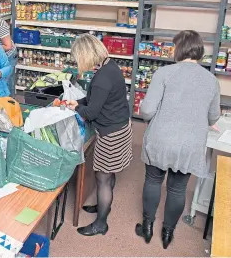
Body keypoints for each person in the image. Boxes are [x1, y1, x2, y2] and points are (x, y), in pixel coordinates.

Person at [135, 30, 220, 249]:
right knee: (178, 189)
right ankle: (167, 233)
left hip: (161, 138)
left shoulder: (164, 73)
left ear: (179, 48)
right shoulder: (211, 80)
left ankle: (147, 227)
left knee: (153, 180)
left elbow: (147, 110)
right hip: (190, 144)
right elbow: (213, 116)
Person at [56, 34, 132, 236]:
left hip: (111, 133)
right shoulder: (110, 66)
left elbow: (92, 113)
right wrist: (79, 103)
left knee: (103, 178)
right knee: (109, 173)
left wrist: (76, 109)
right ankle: (102, 207)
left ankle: (101, 224)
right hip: (121, 126)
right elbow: (96, 100)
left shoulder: (101, 80)